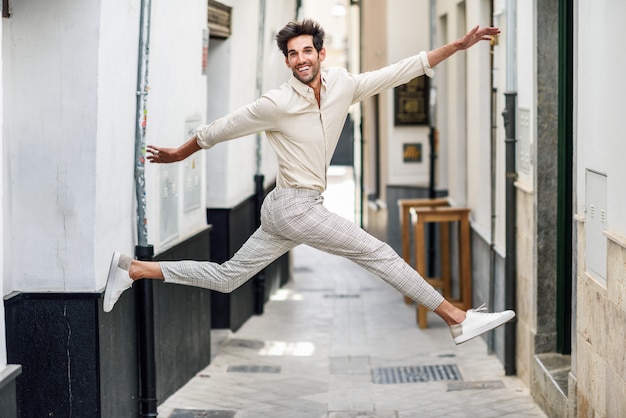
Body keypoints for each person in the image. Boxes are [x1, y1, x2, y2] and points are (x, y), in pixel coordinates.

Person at [104, 19, 514, 345]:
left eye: (306, 51)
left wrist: (458, 46)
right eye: (292, 54)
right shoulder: (277, 103)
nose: (301, 59)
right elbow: (222, 127)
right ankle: (458, 320)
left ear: (319, 53)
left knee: (228, 278)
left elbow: (402, 70)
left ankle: (136, 269)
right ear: (287, 61)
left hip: (290, 209)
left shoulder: (342, 85)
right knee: (379, 252)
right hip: (293, 207)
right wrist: (179, 153)